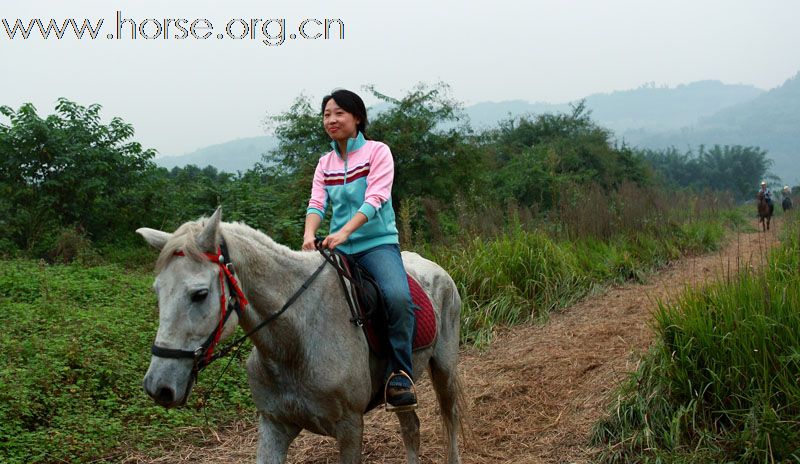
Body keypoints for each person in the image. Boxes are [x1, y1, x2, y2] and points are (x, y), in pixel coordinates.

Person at [302, 89, 417, 411]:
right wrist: (310, 234)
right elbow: (316, 203)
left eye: (339, 113)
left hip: (375, 244)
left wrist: (344, 232)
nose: (332, 119)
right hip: (337, 247)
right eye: (326, 114)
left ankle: (400, 373)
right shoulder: (325, 163)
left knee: (397, 297)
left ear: (357, 117)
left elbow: (376, 198)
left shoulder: (378, 152)